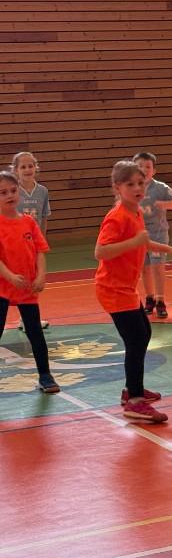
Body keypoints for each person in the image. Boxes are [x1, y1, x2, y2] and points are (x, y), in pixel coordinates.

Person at [95, 161, 172, 423]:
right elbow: (101, 252)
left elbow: (143, 242)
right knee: (135, 341)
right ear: (117, 188)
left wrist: (169, 249)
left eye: (140, 183)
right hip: (113, 289)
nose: (137, 188)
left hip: (126, 288)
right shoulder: (117, 217)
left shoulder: (134, 211)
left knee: (144, 333)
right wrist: (133, 242)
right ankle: (134, 402)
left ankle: (132, 389)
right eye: (130, 184)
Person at [0, 169, 59, 394]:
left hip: (27, 288)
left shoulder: (29, 222)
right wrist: (10, 276)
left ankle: (45, 375)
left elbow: (40, 251)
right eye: (3, 192)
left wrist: (41, 275)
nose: (9, 195)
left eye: (13, 190)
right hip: (3, 287)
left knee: (35, 332)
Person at [132, 152, 172, 319]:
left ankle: (160, 300)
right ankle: (150, 298)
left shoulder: (161, 188)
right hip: (138, 236)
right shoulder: (131, 188)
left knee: (157, 268)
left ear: (154, 170)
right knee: (144, 269)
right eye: (140, 166)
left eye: (148, 166)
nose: (144, 169)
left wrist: (165, 204)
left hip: (157, 235)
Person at [11, 151, 51, 330]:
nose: (28, 169)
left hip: (33, 243)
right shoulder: (13, 191)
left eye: (31, 166)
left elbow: (44, 217)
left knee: (33, 280)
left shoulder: (42, 191)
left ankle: (27, 319)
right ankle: (26, 319)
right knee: (16, 280)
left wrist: (41, 241)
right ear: (16, 170)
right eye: (23, 167)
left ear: (36, 167)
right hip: (16, 242)